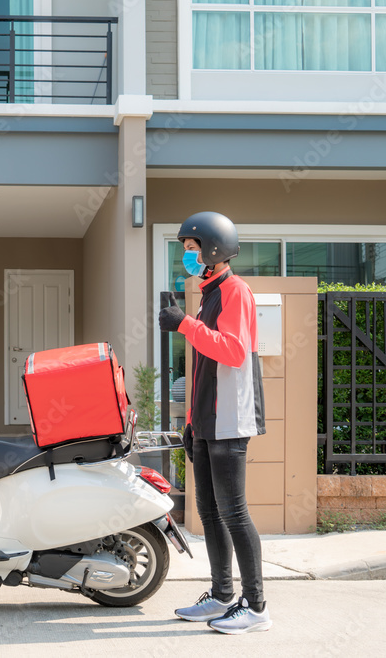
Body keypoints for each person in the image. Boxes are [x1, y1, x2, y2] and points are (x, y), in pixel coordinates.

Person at [158, 211, 271, 635]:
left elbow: (234, 352)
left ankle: (256, 606)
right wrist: (190, 422)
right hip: (207, 420)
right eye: (185, 249)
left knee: (234, 512)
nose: (186, 255)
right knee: (207, 510)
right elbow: (203, 367)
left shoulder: (235, 292)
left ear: (213, 250)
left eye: (191, 248)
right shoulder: (209, 292)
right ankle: (223, 596)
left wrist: (184, 324)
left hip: (230, 419)